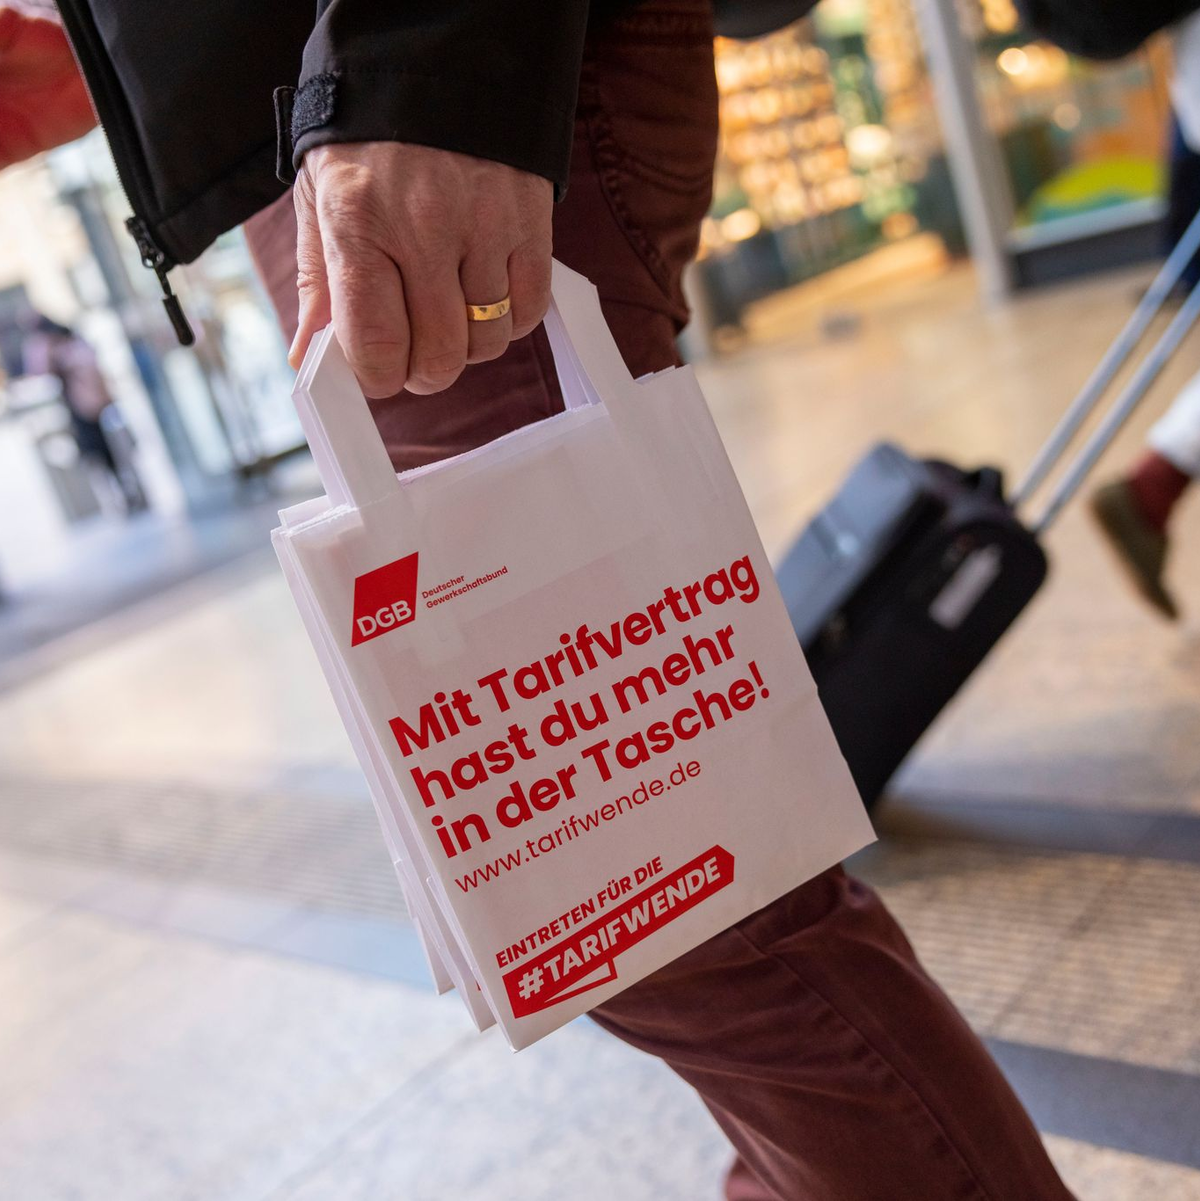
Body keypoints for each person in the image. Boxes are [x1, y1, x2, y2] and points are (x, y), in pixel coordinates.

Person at [0, 3, 1075, 1198]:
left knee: (659, 884)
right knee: (635, 876)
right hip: (331, 96)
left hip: (416, 86)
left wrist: (419, 68)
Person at [21, 313, 147, 513]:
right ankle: (125, 493)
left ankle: (130, 492)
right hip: (93, 406)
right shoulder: (67, 344)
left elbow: (40, 371)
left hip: (91, 406)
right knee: (107, 455)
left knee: (112, 452)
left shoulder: (63, 347)